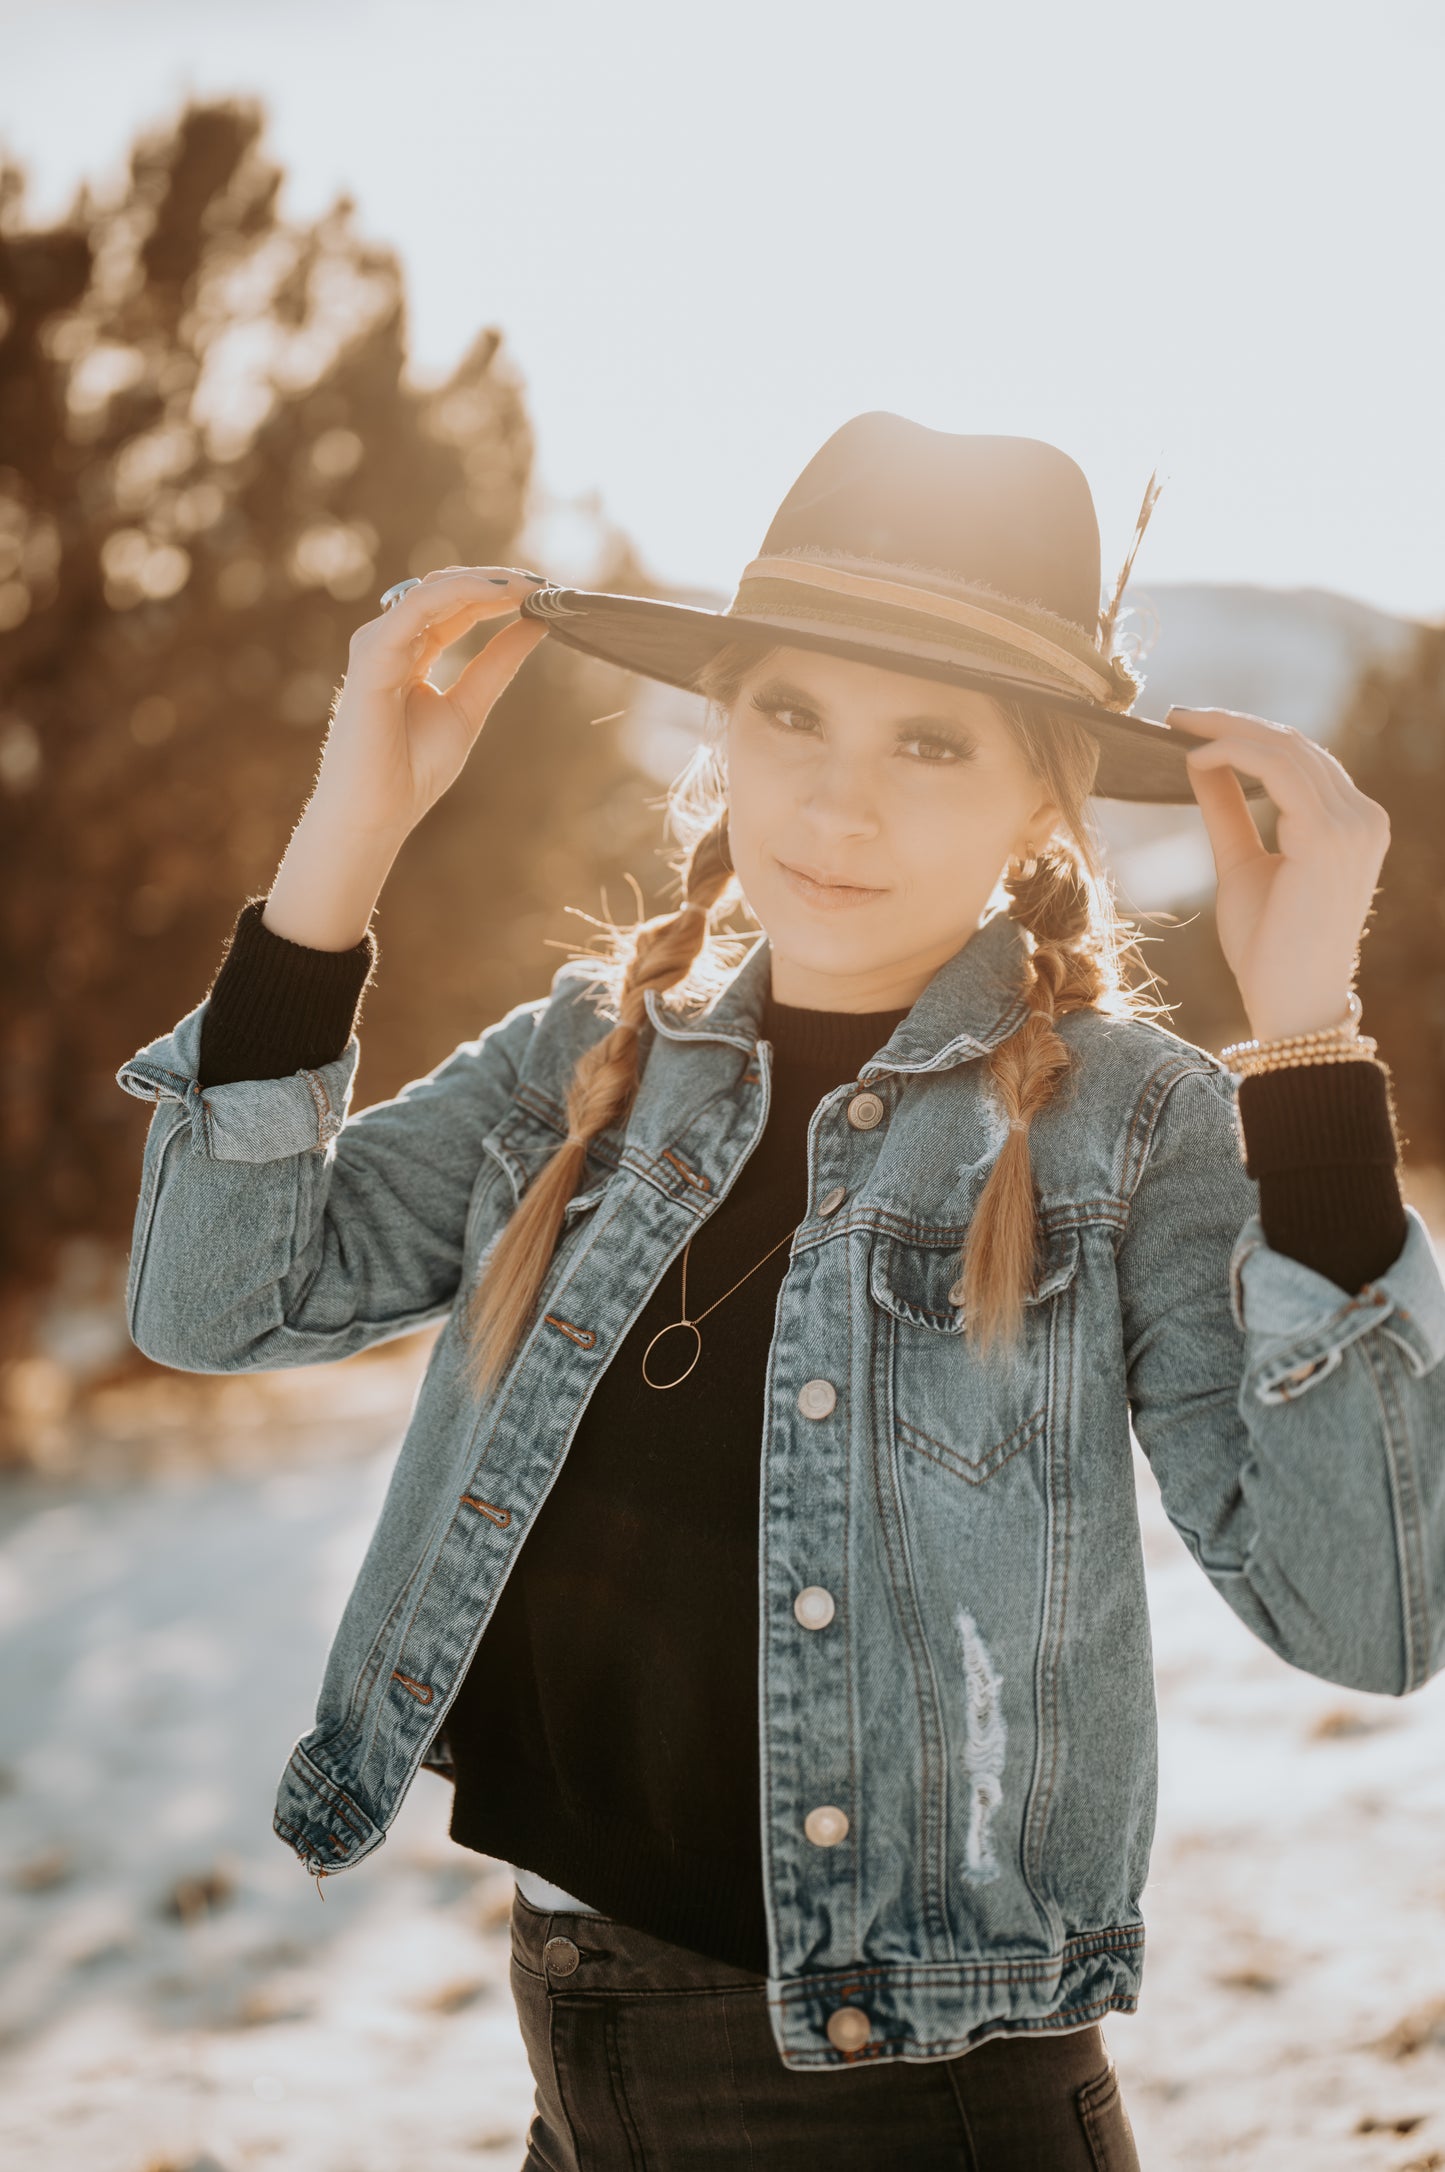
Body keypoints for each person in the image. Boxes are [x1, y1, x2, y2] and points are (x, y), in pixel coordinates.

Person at [117, 415, 1445, 2170]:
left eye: (930, 741)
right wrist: (345, 840)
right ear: (718, 730)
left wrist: (1308, 1048)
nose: (835, 802)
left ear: (1041, 798)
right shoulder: (585, 1063)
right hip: (576, 2068)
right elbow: (212, 1302)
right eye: (790, 712)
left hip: (909, 2107)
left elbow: (1367, 1618)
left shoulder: (1132, 1128)